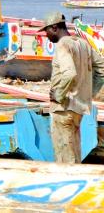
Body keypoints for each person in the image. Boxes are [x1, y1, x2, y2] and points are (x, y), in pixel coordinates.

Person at [41, 12, 104, 163]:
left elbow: (69, 74)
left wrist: (59, 95)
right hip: (79, 107)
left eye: (47, 31)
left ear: (54, 28)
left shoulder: (63, 45)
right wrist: (89, 92)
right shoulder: (83, 43)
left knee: (64, 157)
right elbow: (101, 68)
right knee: (74, 152)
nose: (46, 35)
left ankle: (67, 183)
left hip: (63, 108)